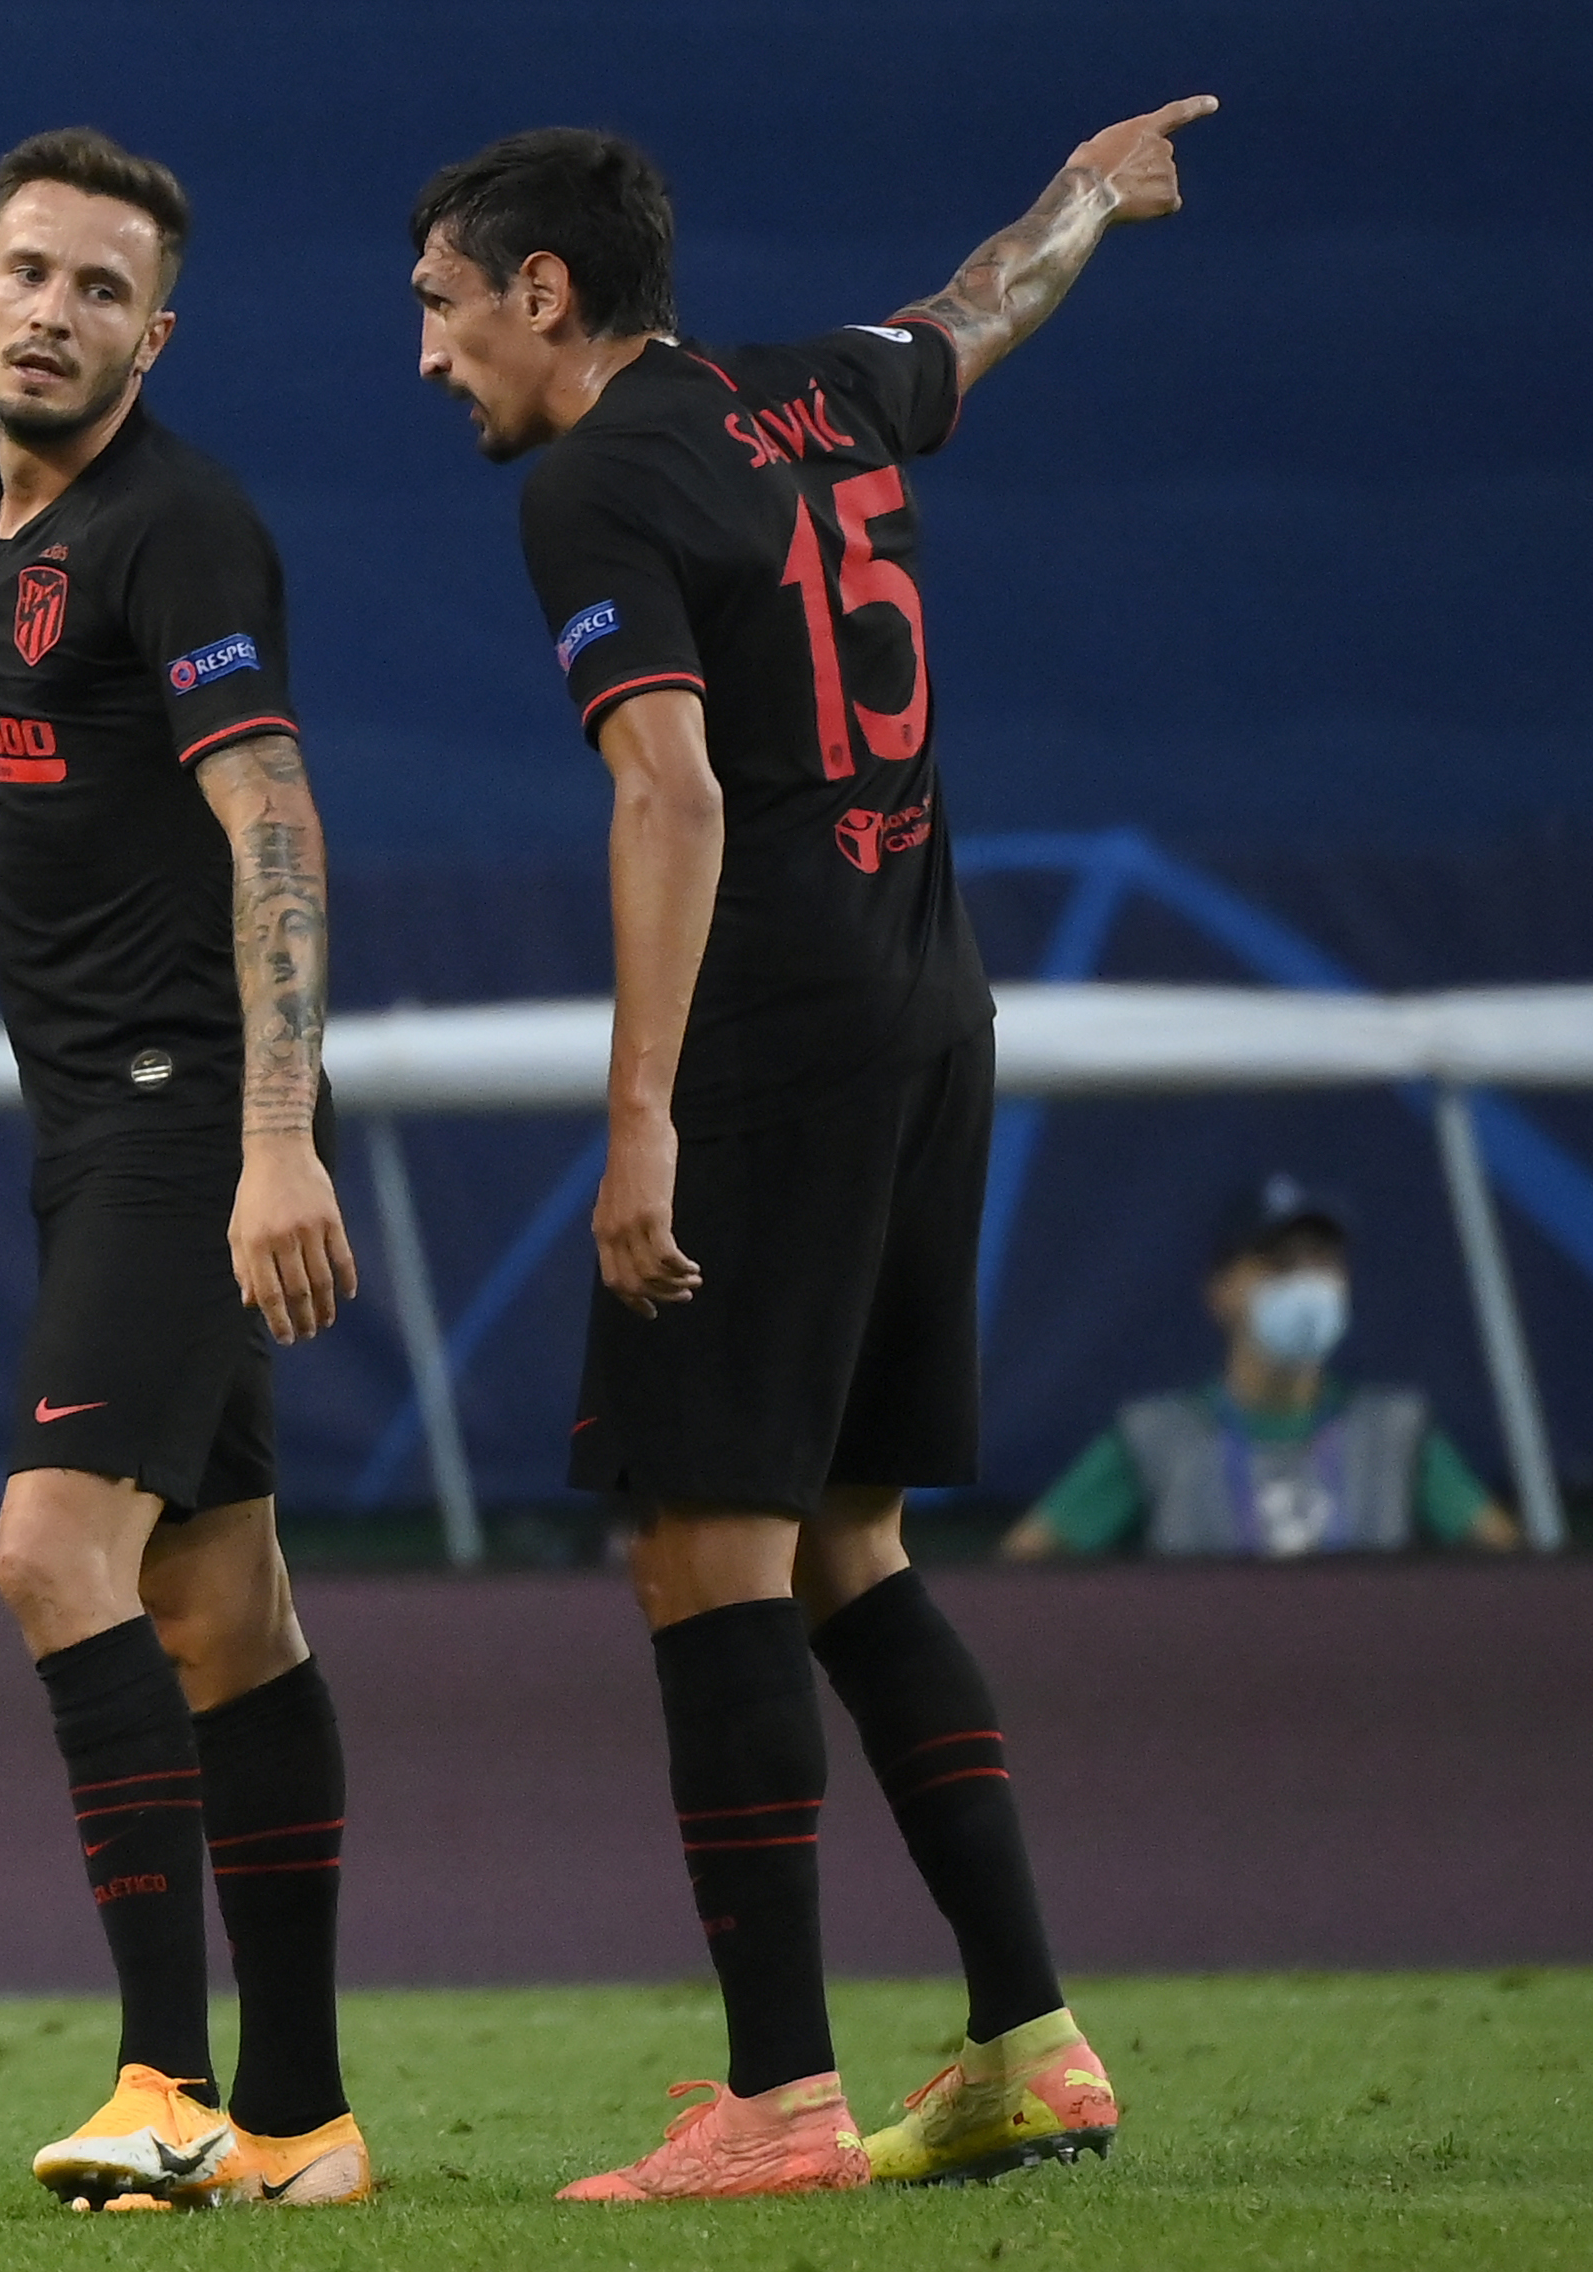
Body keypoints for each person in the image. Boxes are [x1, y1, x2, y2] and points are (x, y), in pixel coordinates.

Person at [411, 97, 1217, 2199]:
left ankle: (776, 2098)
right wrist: (1086, 197)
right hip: (930, 1011)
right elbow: (977, 310)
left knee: (703, 1547)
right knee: (849, 1540)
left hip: (771, 1050)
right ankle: (1029, 2039)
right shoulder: (819, 392)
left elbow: (669, 794)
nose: (427, 353)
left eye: (444, 305)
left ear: (543, 291)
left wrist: (638, 1118)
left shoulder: (594, 481)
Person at [0, 129, 368, 2212]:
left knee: (51, 1553)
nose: (54, 313)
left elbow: (269, 817)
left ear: (154, 336)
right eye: (29, 272)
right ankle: (301, 2119)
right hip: (91, 1118)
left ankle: (162, 2081)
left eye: (100, 291)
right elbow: (8, 853)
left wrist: (274, 1140)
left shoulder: (179, 528)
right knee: (221, 1605)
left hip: (185, 1115)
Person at [1002, 1175, 1522, 1560]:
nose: (1307, 1283)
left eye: (1323, 1262)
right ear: (1219, 1292)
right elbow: (1021, 1577)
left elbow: (1510, 1579)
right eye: (1279, 1264)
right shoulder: (1156, 1438)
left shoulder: (1394, 1433)